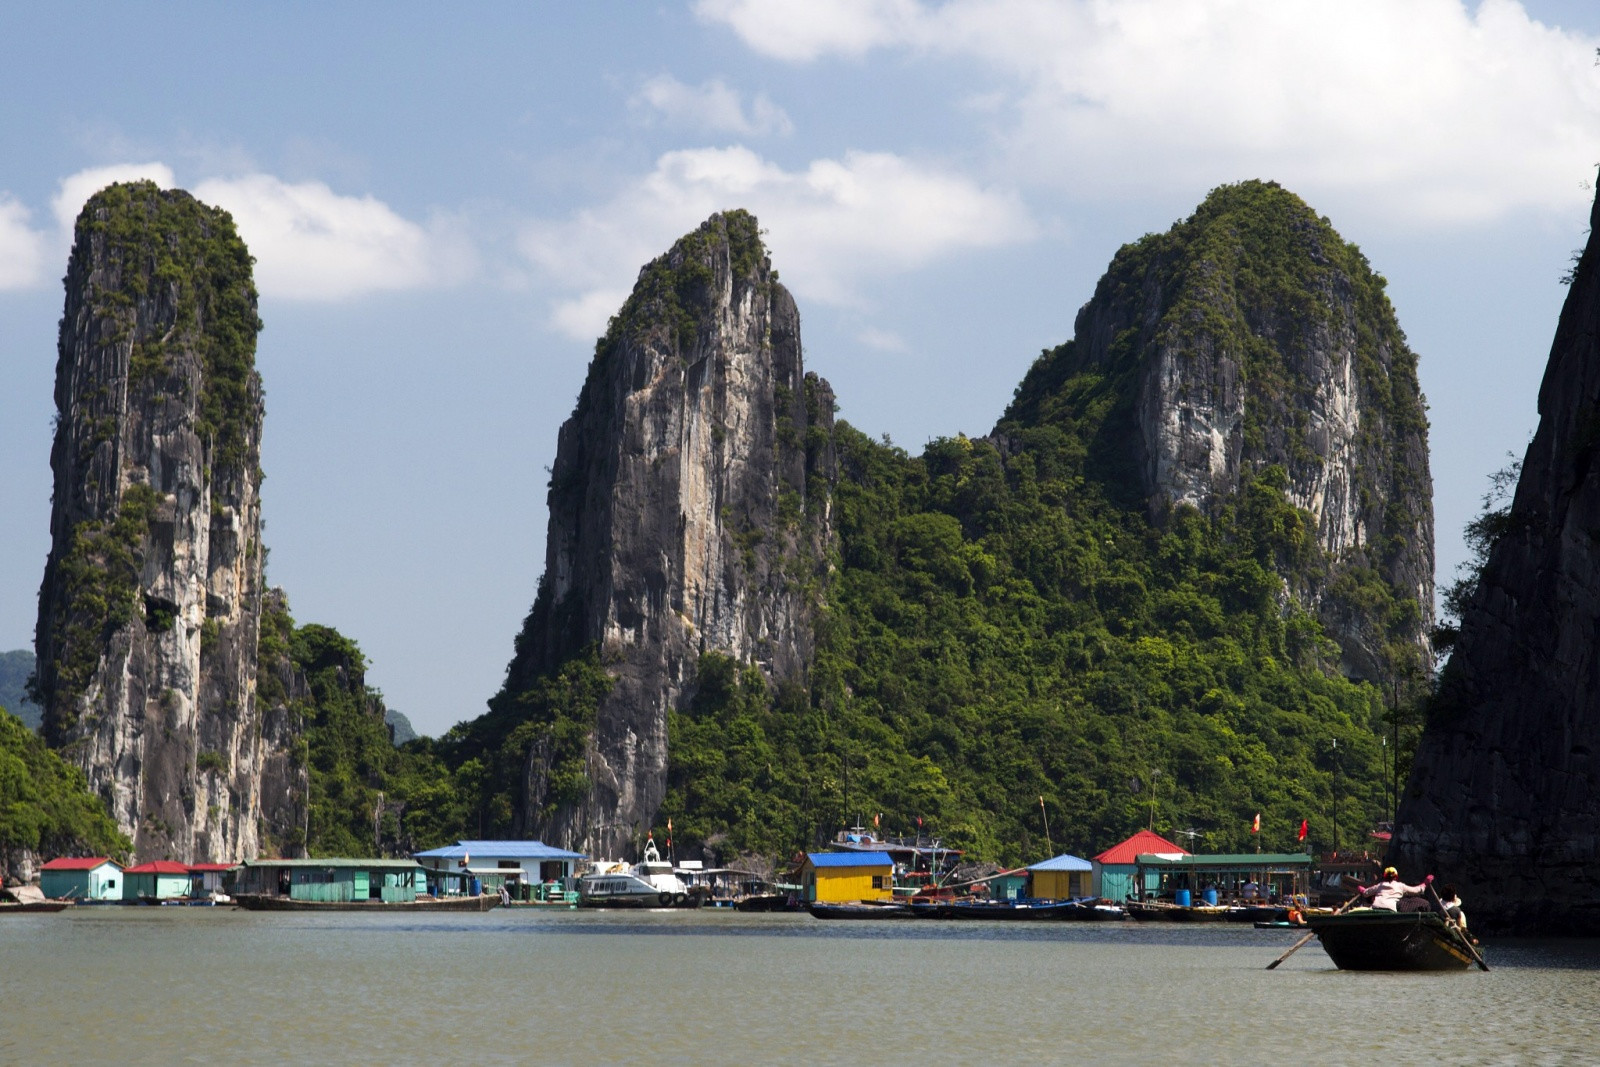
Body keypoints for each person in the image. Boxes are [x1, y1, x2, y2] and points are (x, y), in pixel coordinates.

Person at [1358, 866, 1429, 912]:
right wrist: (1425, 883)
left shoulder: (1379, 885)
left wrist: (1362, 890)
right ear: (1396, 877)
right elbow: (1416, 891)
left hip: (1376, 907)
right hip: (1390, 909)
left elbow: (1366, 893)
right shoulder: (1400, 885)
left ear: (1384, 876)